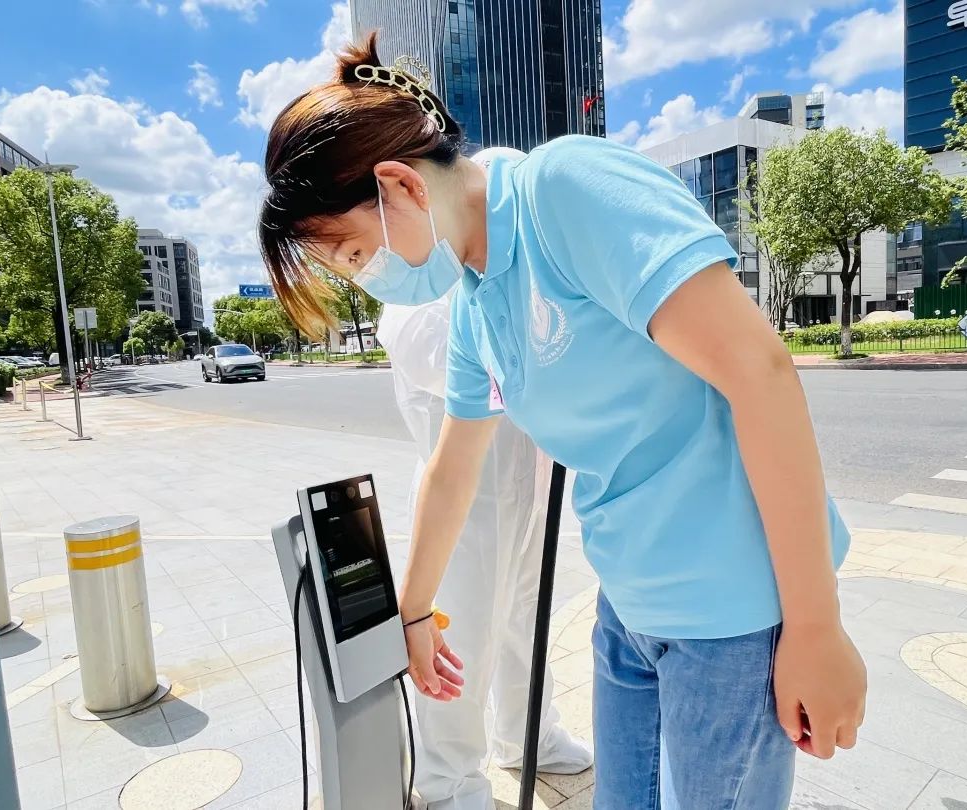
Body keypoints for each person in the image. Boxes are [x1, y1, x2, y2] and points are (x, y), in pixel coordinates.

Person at [258, 35, 867, 810]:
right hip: (631, 609)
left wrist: (815, 628)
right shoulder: (475, 305)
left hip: (733, 614)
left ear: (399, 185)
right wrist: (414, 613)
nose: (365, 278)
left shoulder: (564, 190)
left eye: (352, 255)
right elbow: (453, 467)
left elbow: (762, 375)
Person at [376, 219, 592, 807]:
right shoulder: (414, 281)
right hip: (465, 497)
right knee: (463, 632)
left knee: (526, 617)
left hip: (528, 473)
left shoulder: (493, 248)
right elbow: (442, 360)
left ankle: (528, 734)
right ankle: (448, 781)